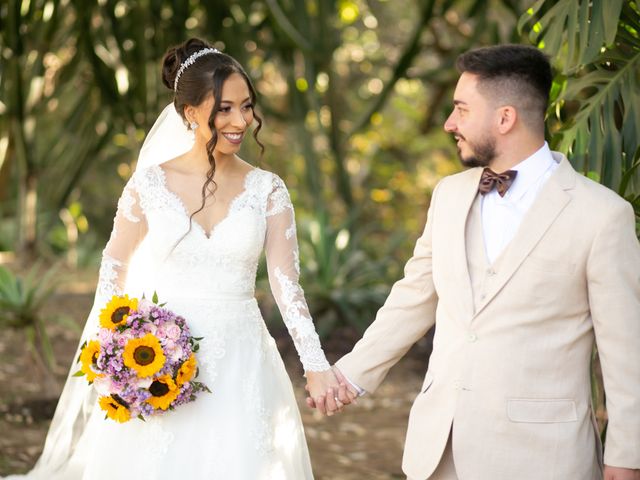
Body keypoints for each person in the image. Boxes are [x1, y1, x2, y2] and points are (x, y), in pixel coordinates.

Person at [6, 37, 342, 479]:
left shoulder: (268, 189)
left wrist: (316, 365)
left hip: (242, 361)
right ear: (189, 114)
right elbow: (114, 266)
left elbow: (286, 284)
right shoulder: (149, 184)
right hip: (159, 359)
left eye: (246, 106)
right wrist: (116, 345)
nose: (240, 120)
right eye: (224, 108)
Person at [310, 44, 640, 480]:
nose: (449, 124)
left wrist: (627, 455)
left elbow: (627, 352)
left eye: (462, 110)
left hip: (542, 458)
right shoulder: (449, 195)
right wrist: (349, 375)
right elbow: (413, 298)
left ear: (505, 118)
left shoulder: (601, 215)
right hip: (439, 449)